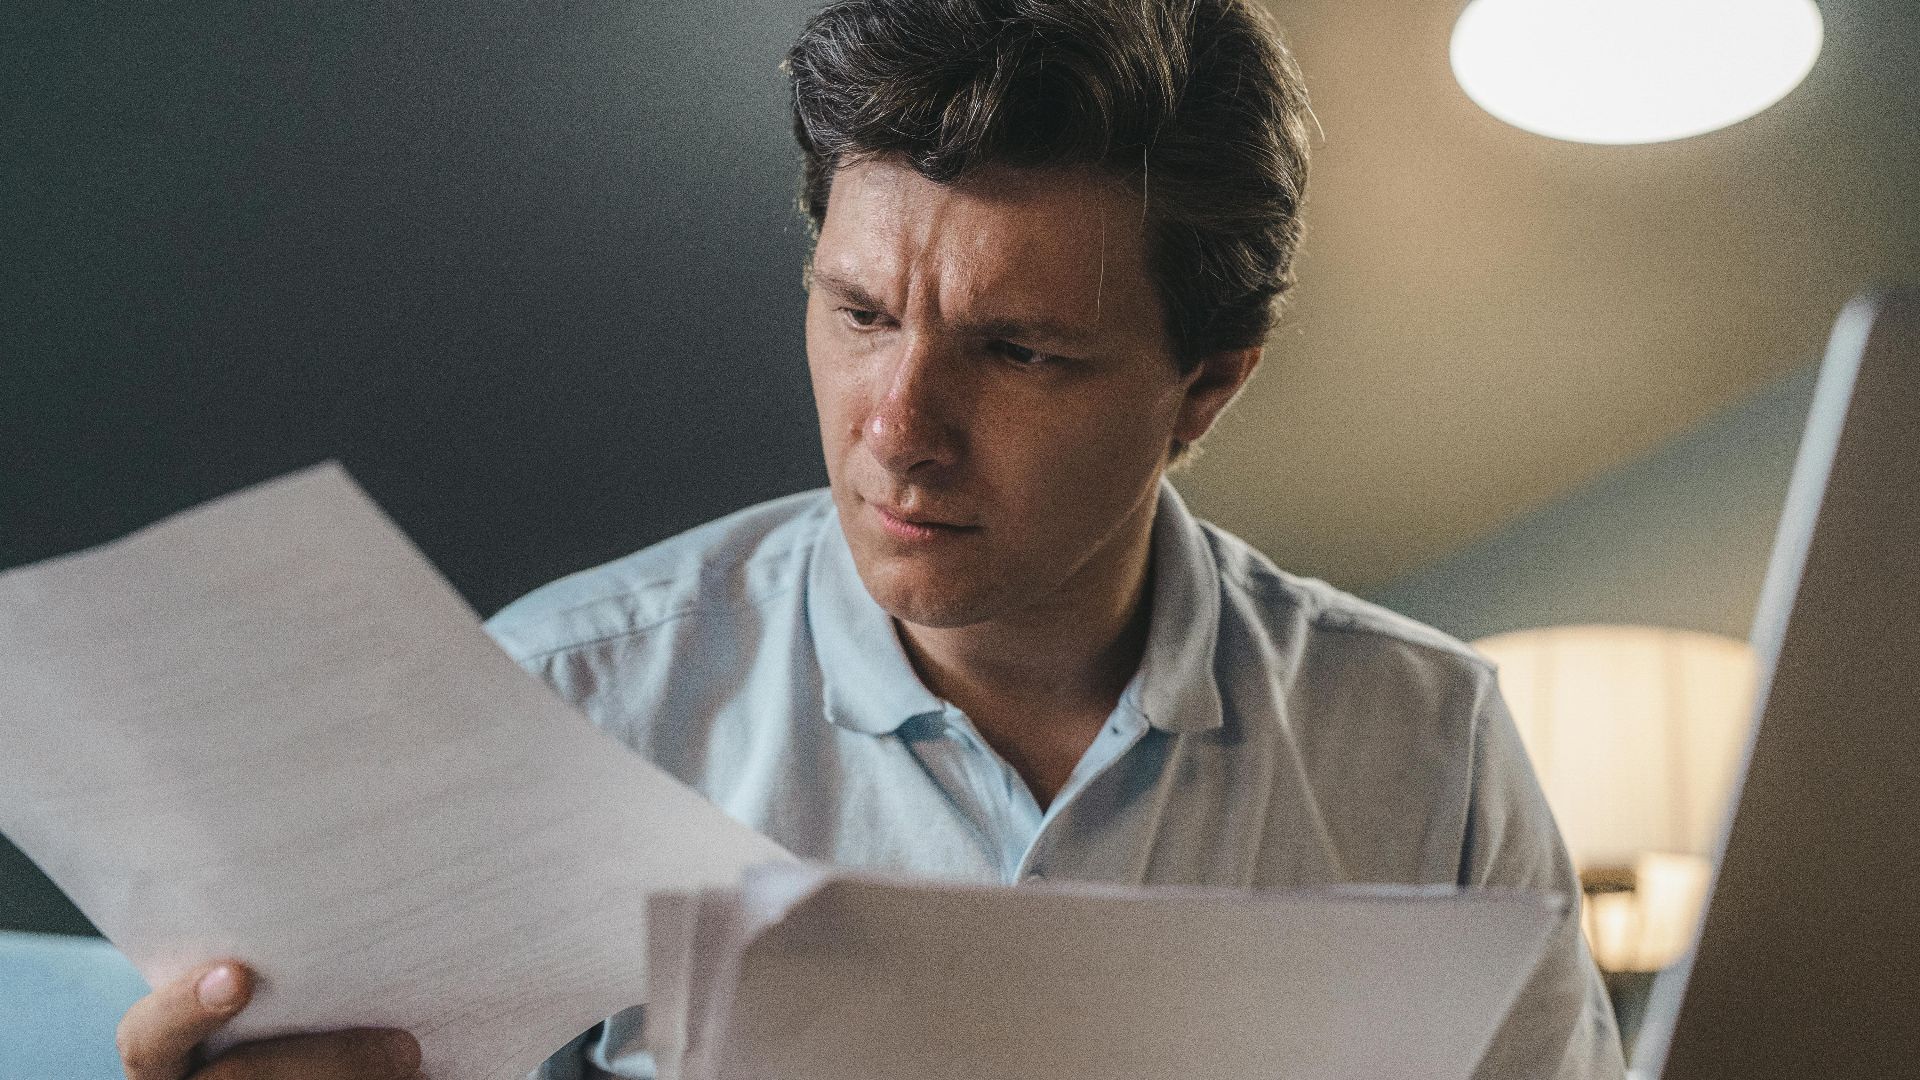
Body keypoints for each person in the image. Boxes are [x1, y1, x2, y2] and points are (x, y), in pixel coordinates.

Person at [115, 1, 1627, 1078]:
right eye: (859, 313)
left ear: (1206, 390)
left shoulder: (1428, 746)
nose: (897, 427)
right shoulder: (558, 703)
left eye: (1021, 351)